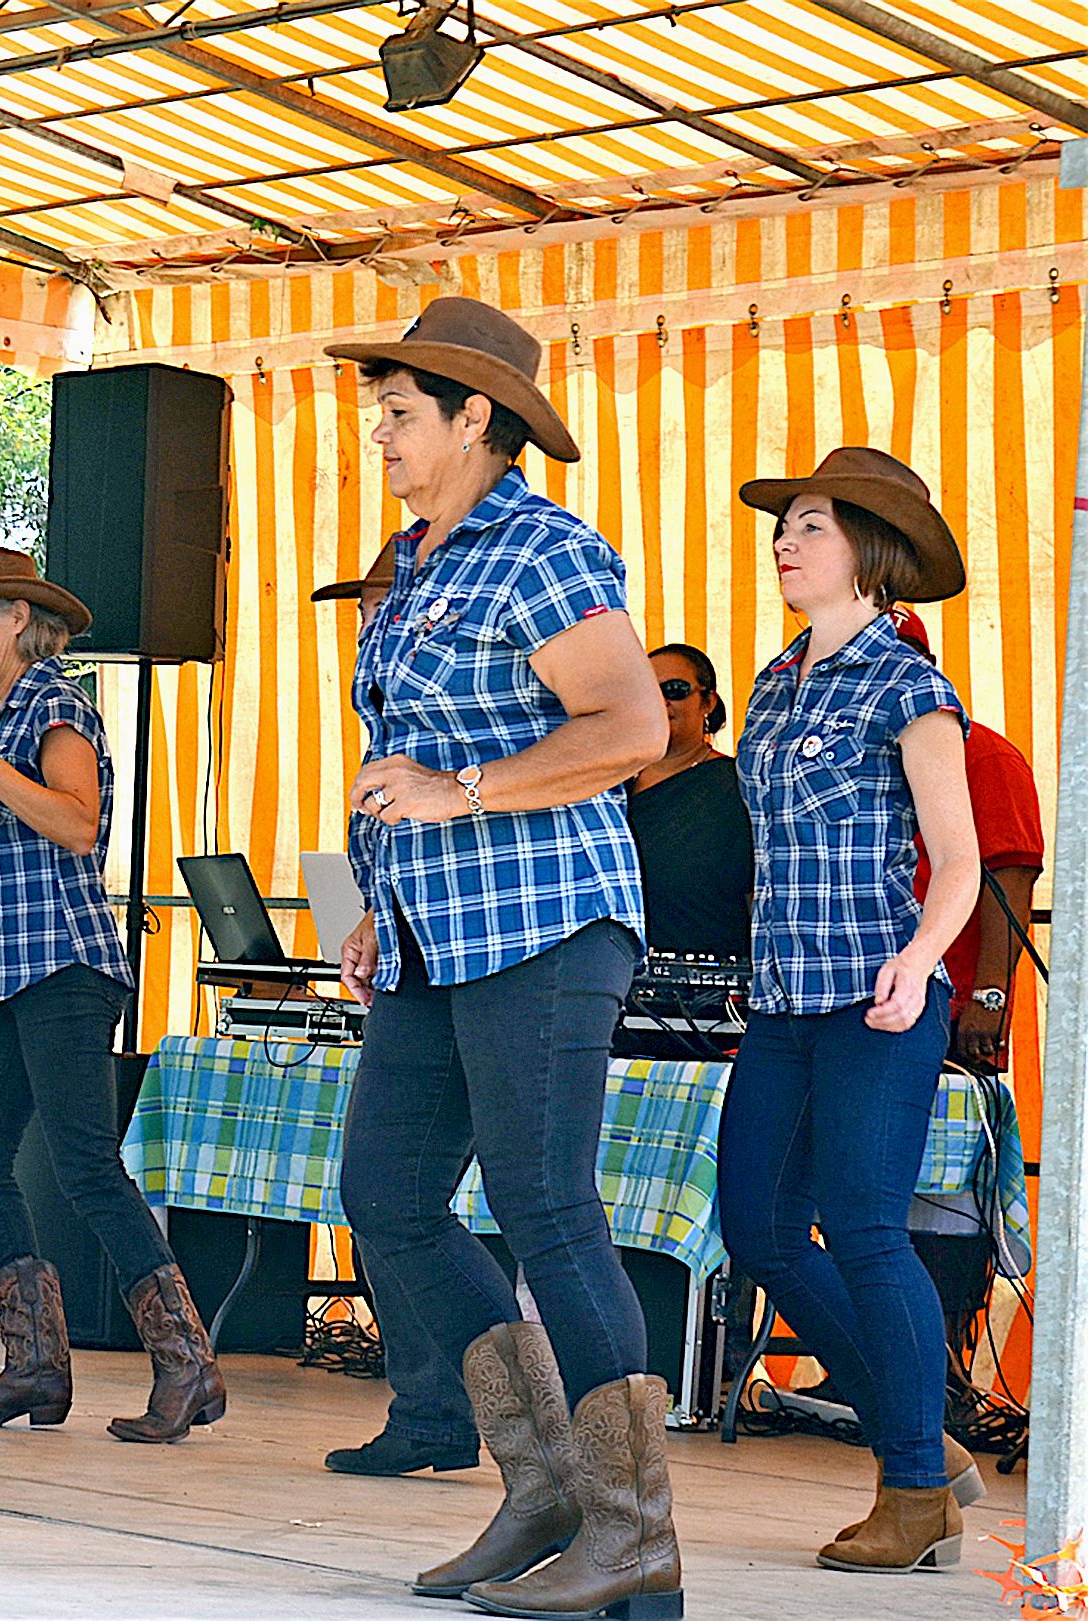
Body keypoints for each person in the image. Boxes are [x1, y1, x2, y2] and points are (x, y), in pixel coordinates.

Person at [326, 297, 682, 1619]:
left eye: (400, 414)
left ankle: (634, 1534)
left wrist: (462, 788)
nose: (379, 435)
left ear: (476, 416)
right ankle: (544, 1488)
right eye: (378, 412)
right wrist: (377, 900)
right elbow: (399, 771)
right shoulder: (415, 561)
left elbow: (631, 723)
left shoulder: (538, 546)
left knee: (547, 1207)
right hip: (431, 934)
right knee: (390, 1194)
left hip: (545, 921)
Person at [719, 448, 985, 1573]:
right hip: (780, 994)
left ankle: (915, 1487)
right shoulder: (775, 683)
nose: (785, 542)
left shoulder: (911, 686)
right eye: (784, 527)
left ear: (871, 552)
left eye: (811, 526)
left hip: (880, 992)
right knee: (758, 1229)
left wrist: (922, 959)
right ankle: (921, 1427)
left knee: (868, 1225)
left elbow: (961, 862)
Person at [0, 546, 224, 1442]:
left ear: (16, 618)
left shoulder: (54, 702)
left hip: (64, 966)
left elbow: (76, 825)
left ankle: (184, 1362)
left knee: (84, 1162)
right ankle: (34, 1364)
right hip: (8, 971)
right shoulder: (3, 712)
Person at [310, 549, 489, 1481]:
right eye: (365, 604)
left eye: (385, 603)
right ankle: (432, 1408)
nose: (370, 621)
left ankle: (534, 1426)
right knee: (380, 1193)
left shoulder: (475, 718)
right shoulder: (383, 736)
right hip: (414, 967)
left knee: (544, 1211)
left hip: (498, 964)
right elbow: (392, 861)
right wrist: (371, 920)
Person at [890, 608, 1045, 1075]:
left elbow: (1011, 880)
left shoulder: (984, 754)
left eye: (904, 659)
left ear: (929, 667)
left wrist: (989, 996)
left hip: (950, 1009)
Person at [625, 643, 754, 958]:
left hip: (711, 985)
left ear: (707, 702)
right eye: (647, 691)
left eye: (675, 690)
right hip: (617, 977)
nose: (661, 701)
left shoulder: (737, 786)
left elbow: (758, 894)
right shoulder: (609, 784)